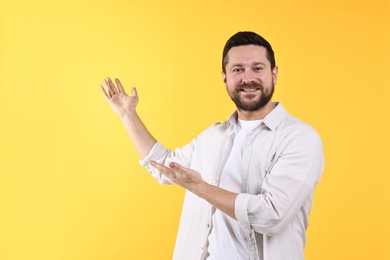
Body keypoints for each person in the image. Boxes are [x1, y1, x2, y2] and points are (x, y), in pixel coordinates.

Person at [100, 31, 324, 260]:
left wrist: (200, 188)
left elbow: (271, 215)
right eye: (238, 70)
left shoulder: (300, 138)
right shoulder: (213, 135)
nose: (248, 78)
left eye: (258, 68)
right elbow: (165, 167)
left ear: (274, 74)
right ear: (225, 78)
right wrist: (128, 115)